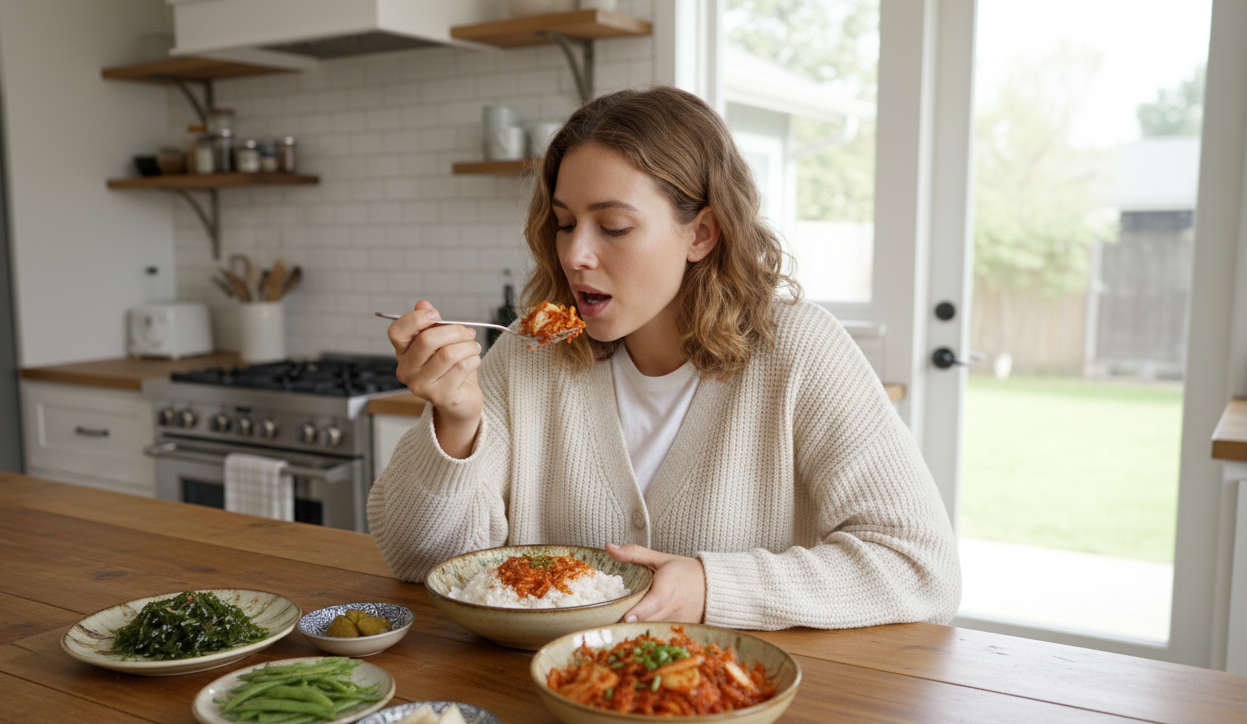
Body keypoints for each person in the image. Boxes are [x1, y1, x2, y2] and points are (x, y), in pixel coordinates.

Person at [369, 86, 960, 630]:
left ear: (701, 234)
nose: (575, 255)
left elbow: (922, 569)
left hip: (737, 709)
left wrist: (712, 586)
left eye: (615, 227)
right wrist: (456, 423)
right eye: (565, 223)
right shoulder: (530, 353)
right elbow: (421, 560)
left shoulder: (799, 352)